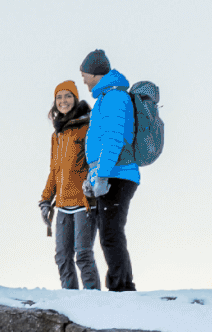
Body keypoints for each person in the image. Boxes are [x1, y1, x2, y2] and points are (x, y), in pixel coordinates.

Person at [76, 48, 143, 291]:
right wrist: (92, 176)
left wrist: (102, 174)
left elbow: (113, 140)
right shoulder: (105, 98)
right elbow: (101, 143)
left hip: (118, 174)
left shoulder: (115, 98)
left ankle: (122, 287)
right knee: (109, 233)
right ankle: (120, 285)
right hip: (109, 173)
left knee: (111, 233)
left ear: (94, 72)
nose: (83, 78)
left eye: (84, 73)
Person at [38, 79, 101, 289]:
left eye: (67, 96)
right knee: (62, 257)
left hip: (85, 202)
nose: (63, 101)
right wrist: (46, 199)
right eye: (59, 97)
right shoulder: (57, 135)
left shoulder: (87, 126)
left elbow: (95, 161)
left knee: (83, 255)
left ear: (75, 98)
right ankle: (70, 300)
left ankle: (94, 301)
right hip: (63, 205)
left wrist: (93, 184)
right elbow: (54, 171)